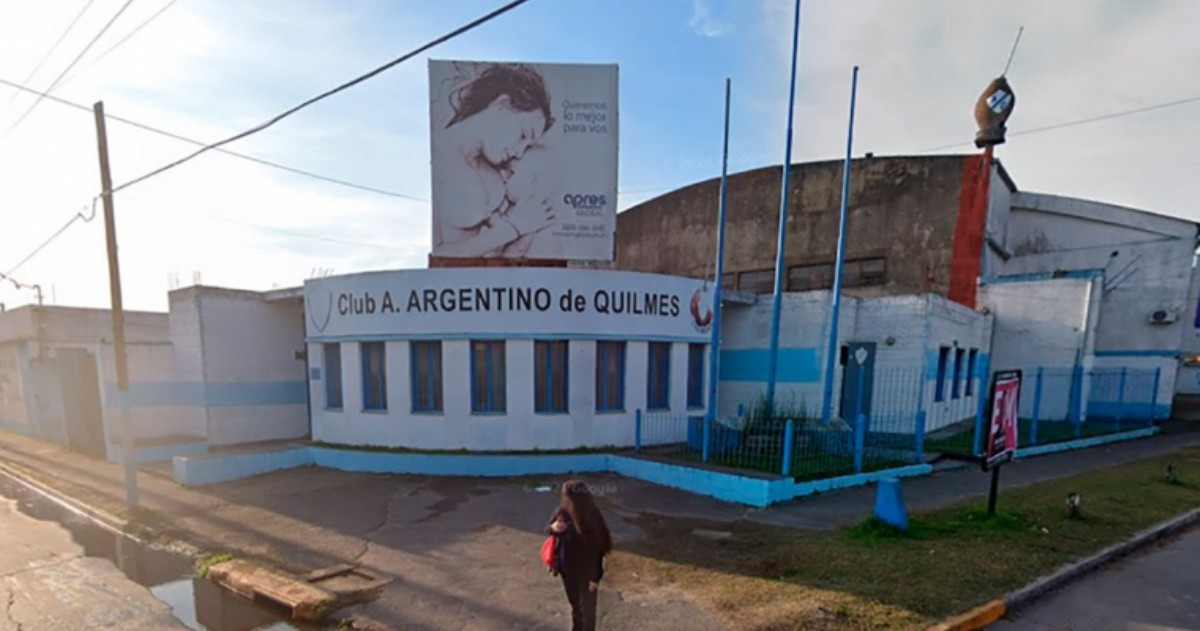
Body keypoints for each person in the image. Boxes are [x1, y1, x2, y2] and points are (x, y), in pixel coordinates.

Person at [432, 63, 558, 257]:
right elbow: (441, 254)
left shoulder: (497, 167)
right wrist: (513, 228)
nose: (519, 153)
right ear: (502, 105)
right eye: (523, 135)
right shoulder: (440, 154)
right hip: (459, 283)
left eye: (527, 147)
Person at [546, 480, 612, 631]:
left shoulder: (591, 517)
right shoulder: (561, 511)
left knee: (588, 610)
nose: (565, 501)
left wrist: (595, 578)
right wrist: (554, 528)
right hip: (566, 570)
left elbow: (598, 550)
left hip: (586, 573)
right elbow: (548, 528)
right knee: (575, 606)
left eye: (568, 497)